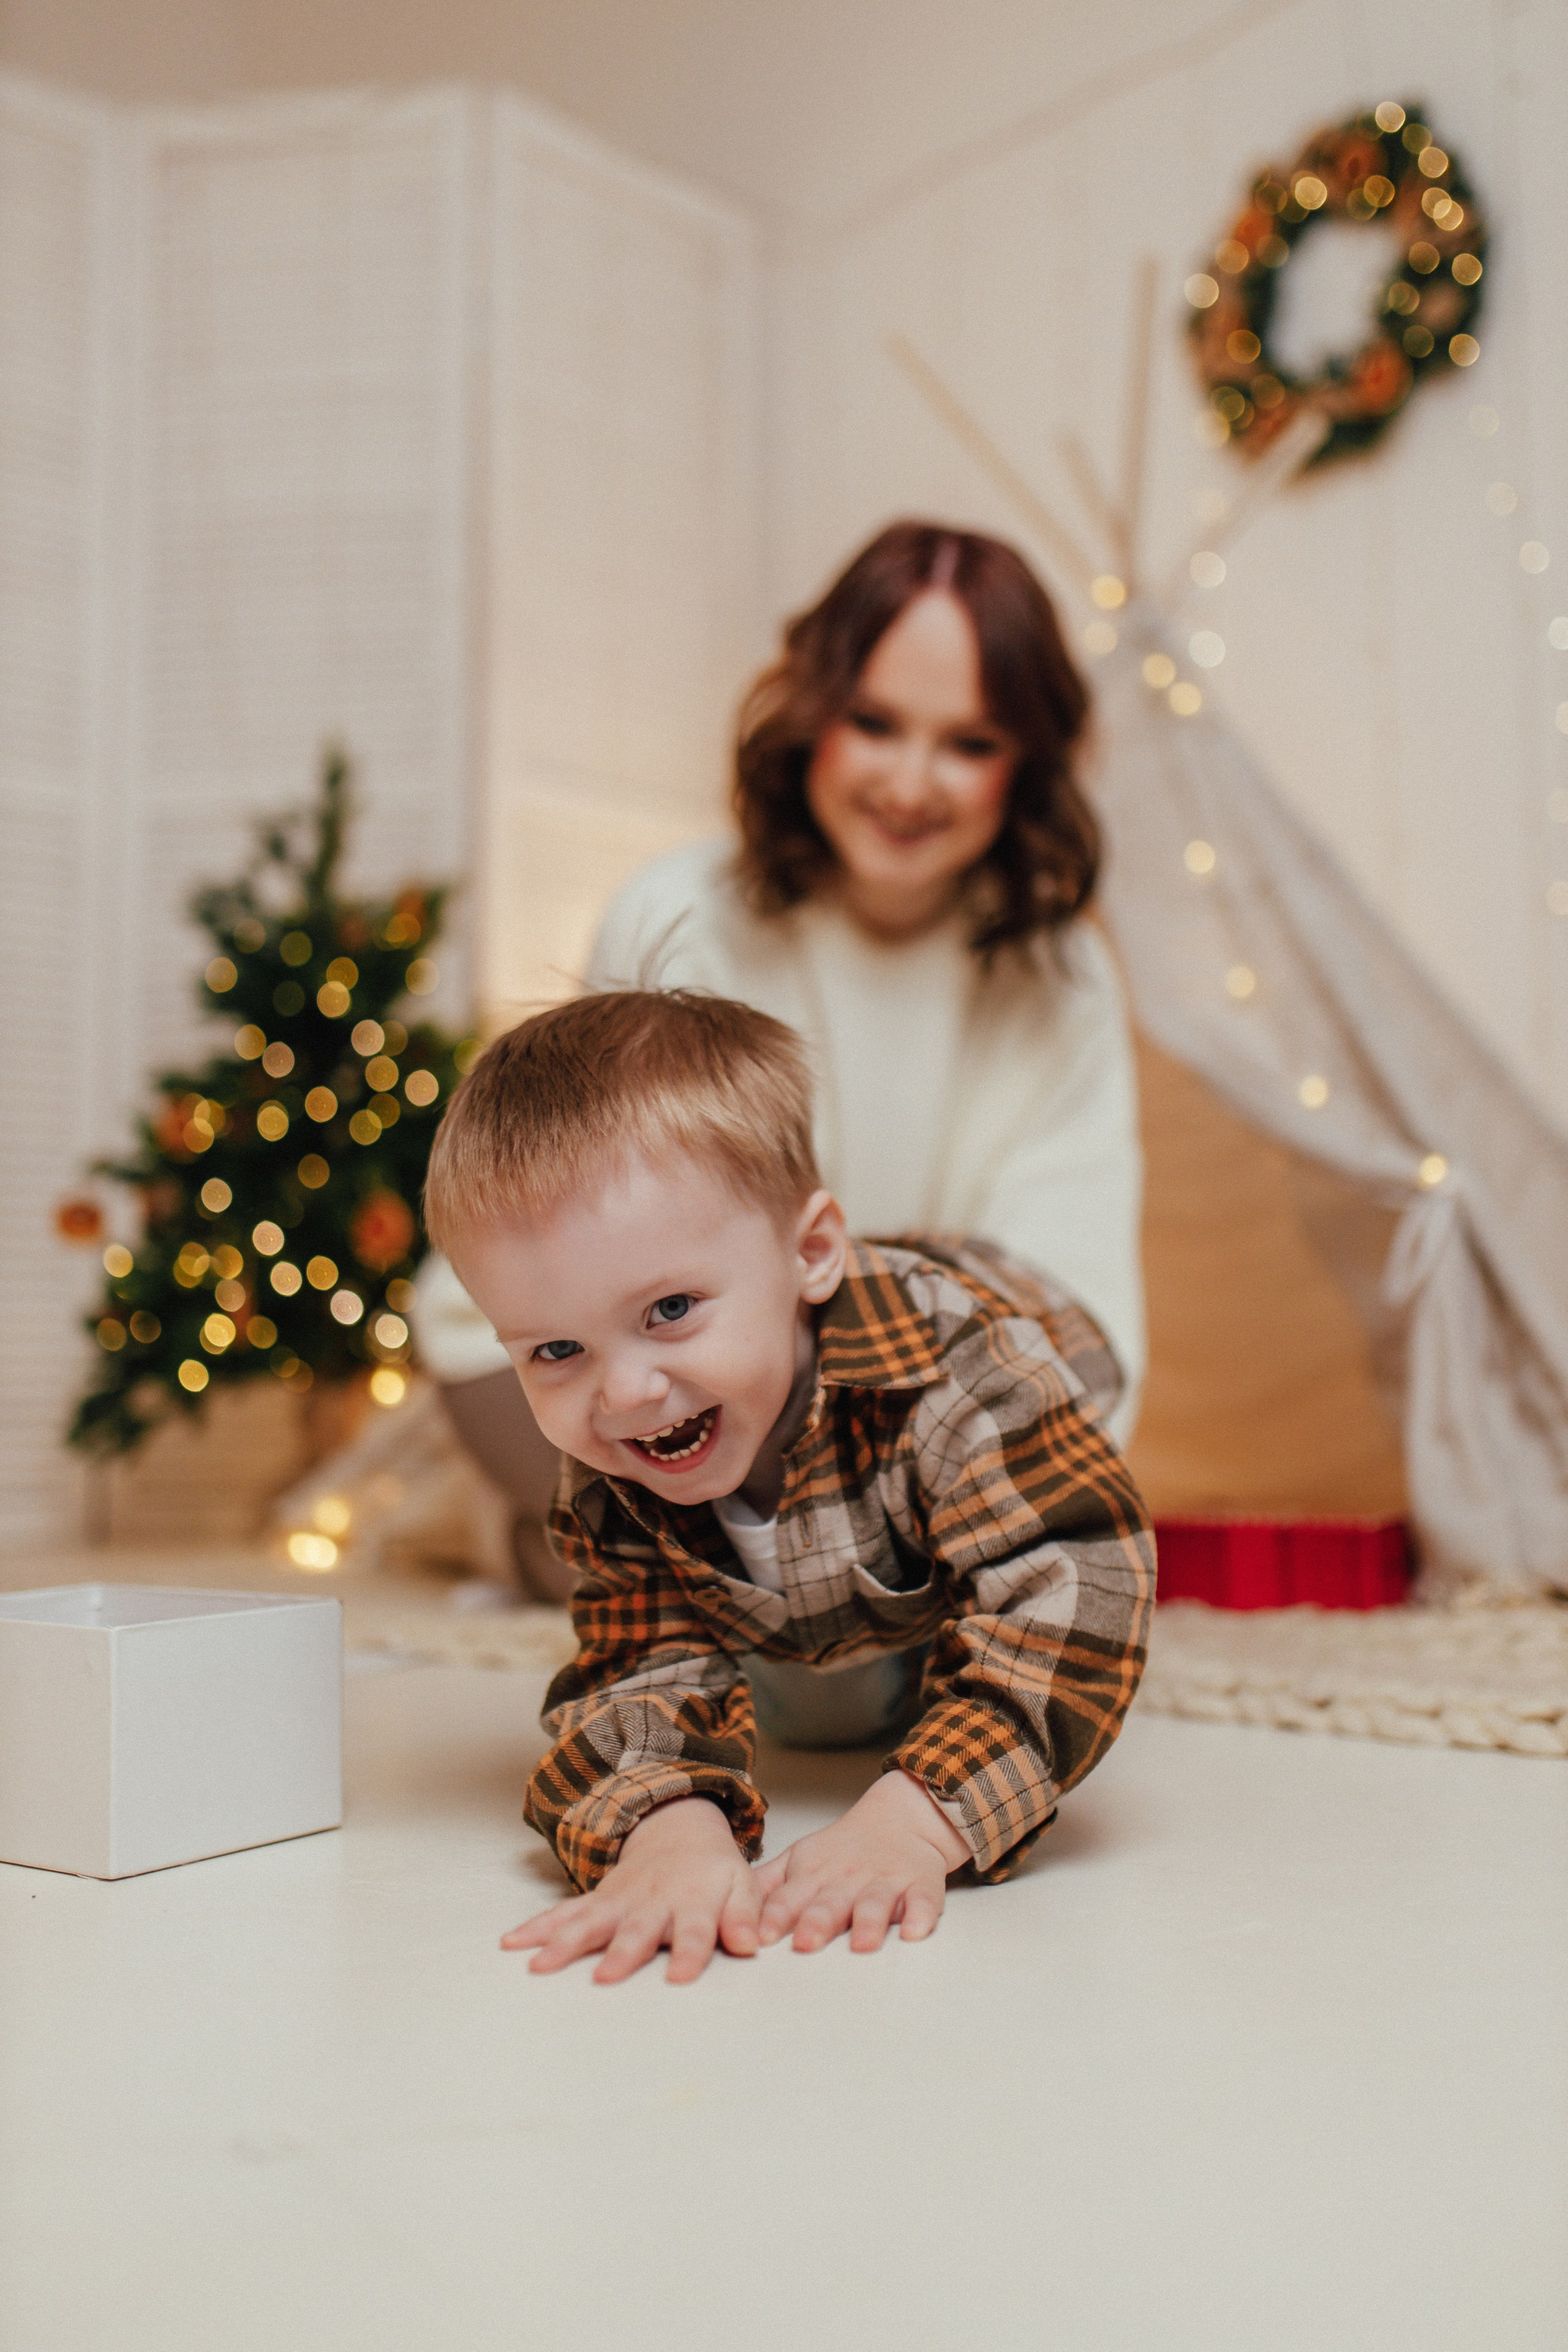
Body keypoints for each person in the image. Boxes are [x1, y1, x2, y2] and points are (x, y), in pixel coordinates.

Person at [412, 519, 1144, 1584]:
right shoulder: (681, 911)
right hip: (602, 1356)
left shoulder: (1062, 975)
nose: (911, 781)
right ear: (812, 714)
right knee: (718, 1574)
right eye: (876, 723)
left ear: (1028, 762)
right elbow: (581, 1238)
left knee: (899, 1568)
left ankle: (688, 1561)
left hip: (876, 1395)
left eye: (970, 743)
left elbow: (1072, 1294)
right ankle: (618, 1549)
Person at [424, 988, 1154, 1983]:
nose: (626, 1391)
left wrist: (919, 1821)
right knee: (811, 1685)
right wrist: (669, 1833)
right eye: (556, 1347)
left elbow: (1079, 1595)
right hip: (823, 1499)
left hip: (1032, 1352)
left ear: (815, 1255)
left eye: (671, 1309)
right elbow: (640, 1664)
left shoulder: (967, 1374)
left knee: (937, 1633)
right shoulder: (617, 1442)